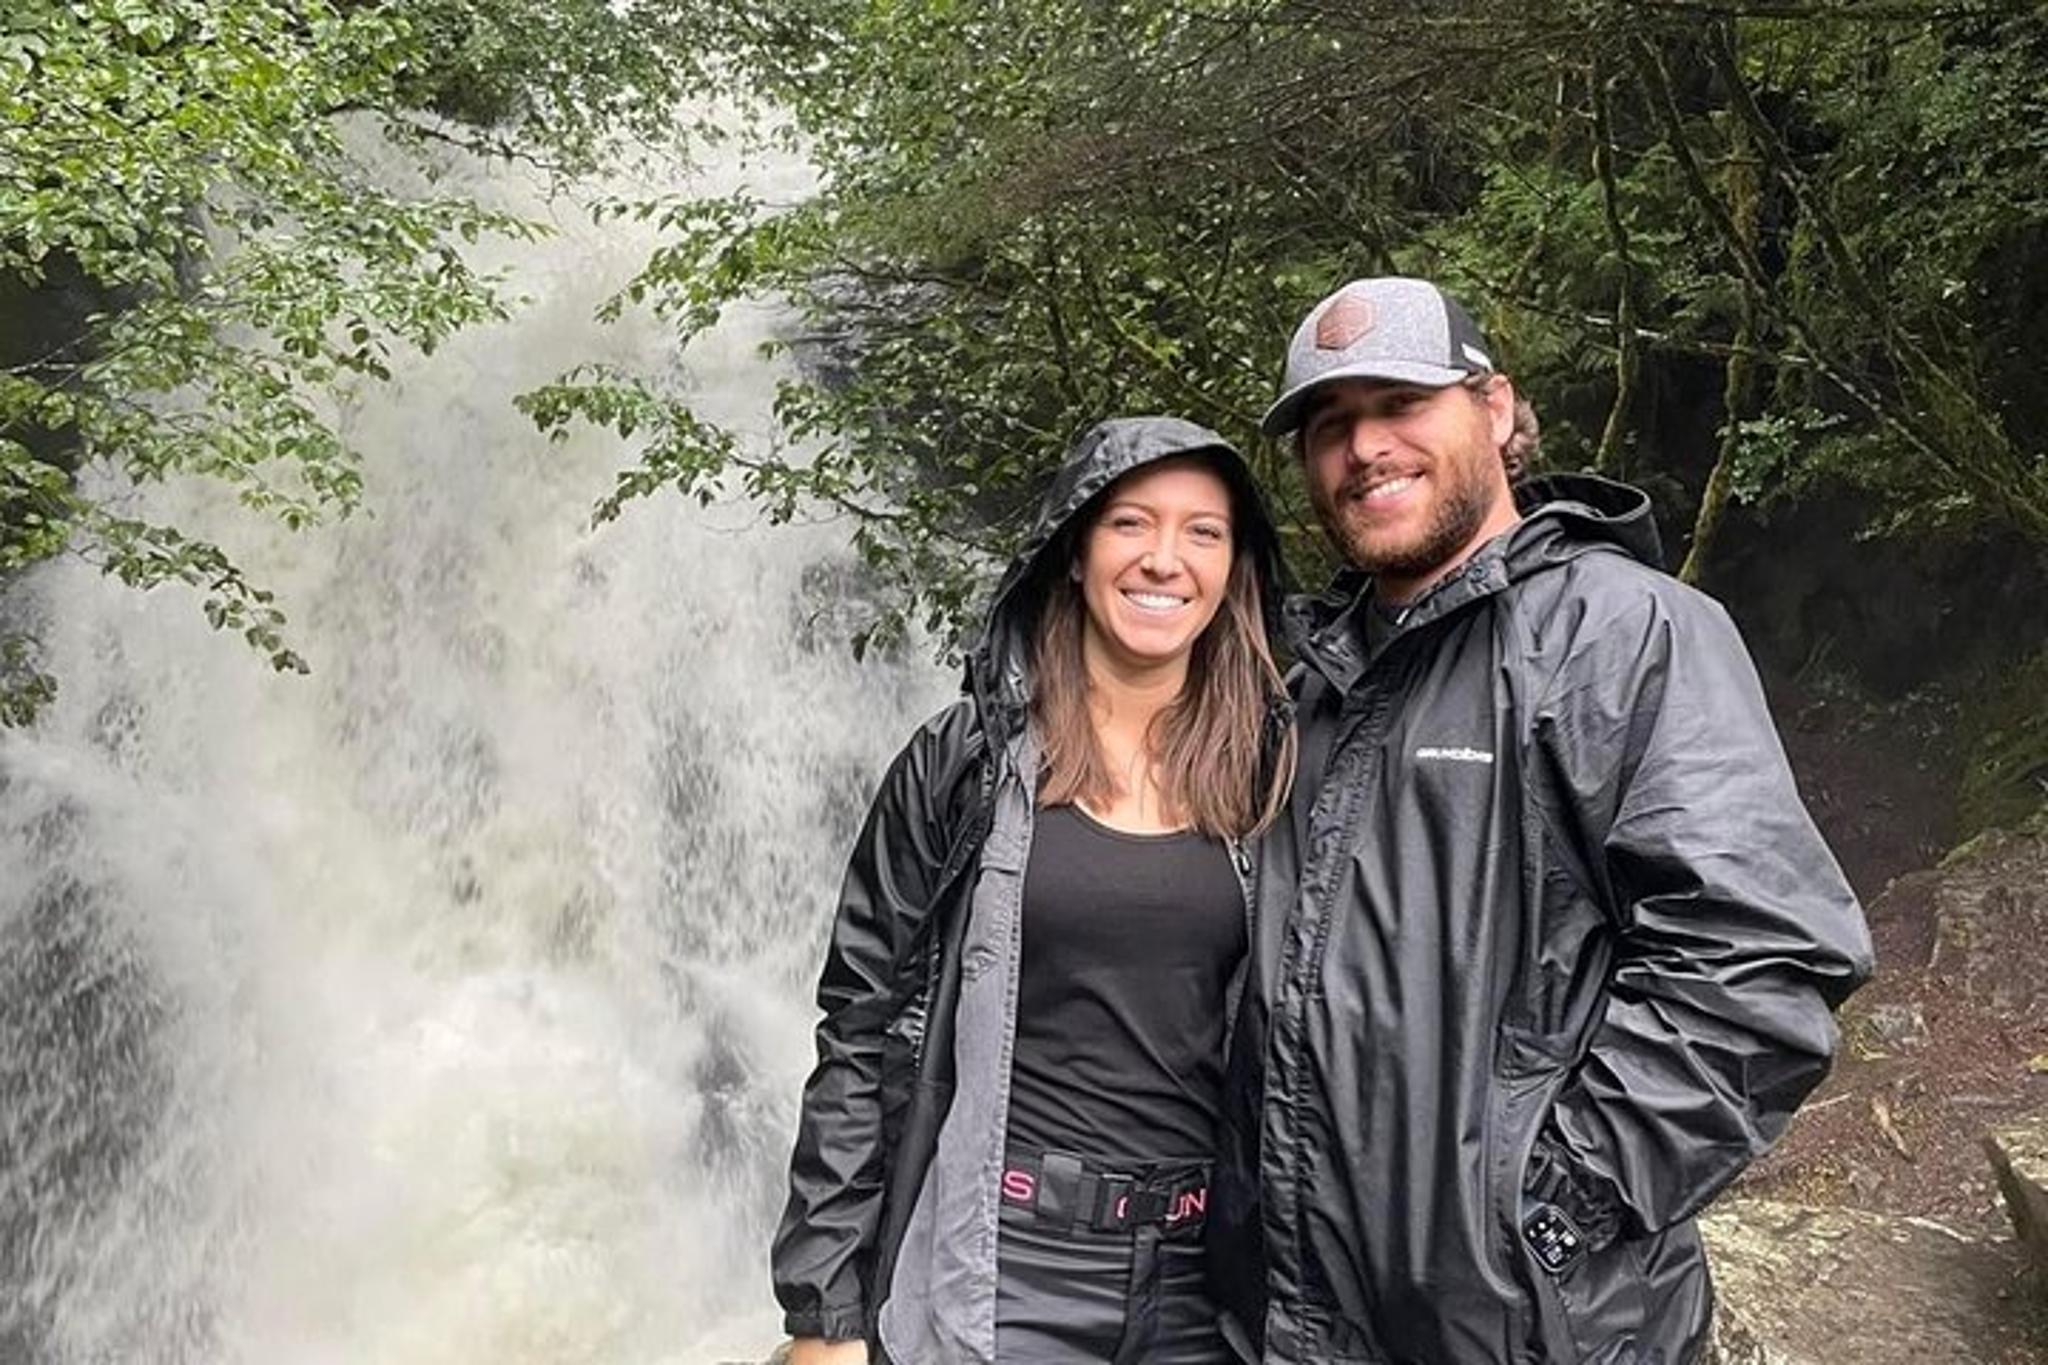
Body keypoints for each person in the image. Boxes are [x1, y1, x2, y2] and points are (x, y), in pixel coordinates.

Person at [1206, 277, 1875, 1365]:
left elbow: (1758, 958)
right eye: (1329, 425)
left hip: (1532, 1329)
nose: (1364, 447)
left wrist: (1552, 1210)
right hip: (1290, 1324)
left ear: (1496, 408)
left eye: (1399, 404)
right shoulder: (1309, 688)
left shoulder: (1621, 634)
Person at [773, 416, 1296, 1364]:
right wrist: (825, 1311)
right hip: (1005, 1271)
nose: (1165, 558)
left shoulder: (1277, 777)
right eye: (1130, 523)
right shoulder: (964, 762)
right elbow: (859, 1026)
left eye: (1203, 532)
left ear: (1234, 570)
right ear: (1075, 551)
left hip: (1208, 1291)